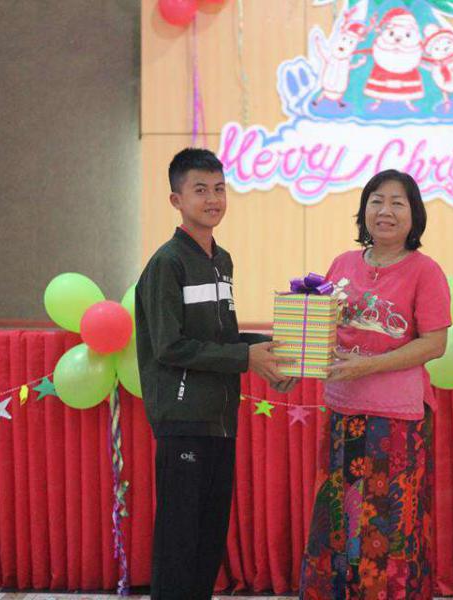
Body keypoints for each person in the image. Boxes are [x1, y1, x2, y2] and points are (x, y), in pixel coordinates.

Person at [135, 148, 286, 600]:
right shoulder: (167, 263)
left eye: (219, 189)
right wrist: (246, 359)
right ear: (175, 200)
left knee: (208, 538)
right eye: (200, 190)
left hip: (221, 419)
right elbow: (170, 346)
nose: (213, 199)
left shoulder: (222, 261)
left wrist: (273, 349)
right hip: (183, 419)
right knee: (179, 540)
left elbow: (224, 338)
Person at [298, 169, 450, 599]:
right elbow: (322, 331)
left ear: (414, 215)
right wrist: (295, 360)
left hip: (396, 422)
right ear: (363, 210)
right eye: (376, 200)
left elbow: (435, 344)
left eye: (398, 203)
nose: (385, 210)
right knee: (339, 519)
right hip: (342, 412)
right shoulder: (342, 265)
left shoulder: (425, 271)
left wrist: (368, 366)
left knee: (388, 525)